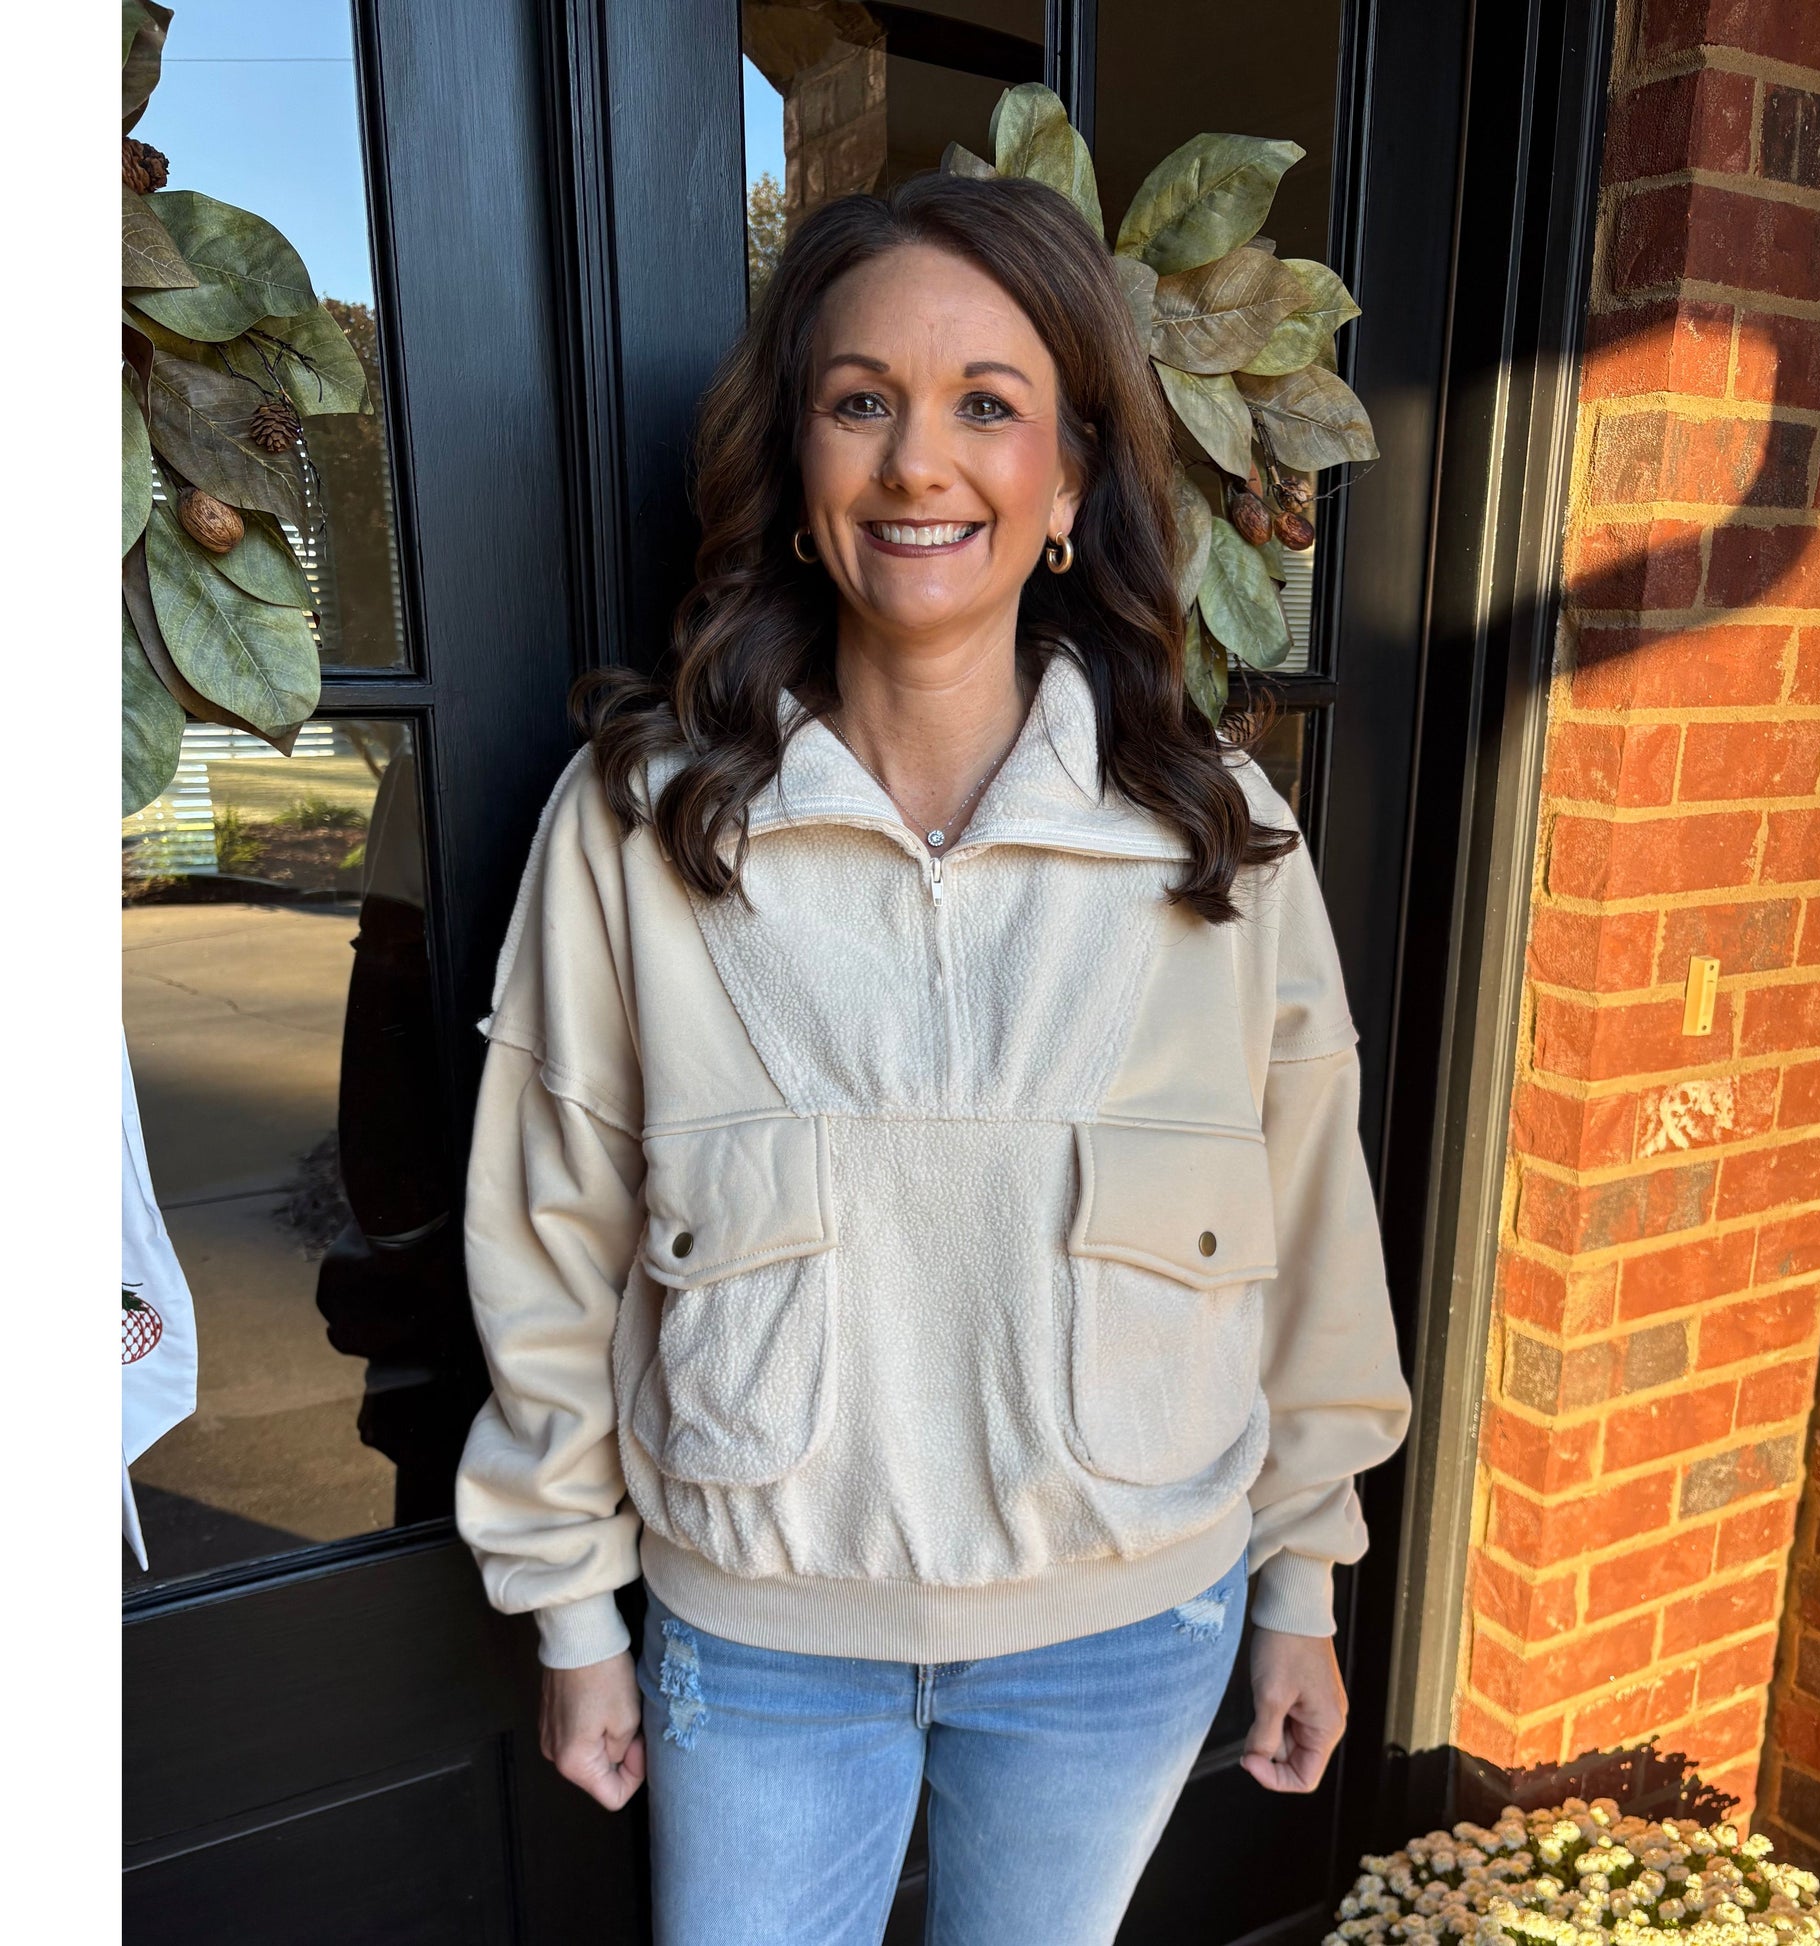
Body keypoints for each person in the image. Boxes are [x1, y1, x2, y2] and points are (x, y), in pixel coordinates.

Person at [455, 170, 1412, 1946]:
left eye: (989, 403)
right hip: (756, 1640)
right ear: (798, 467)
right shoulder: (638, 831)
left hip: (1126, 1636)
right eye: (860, 400)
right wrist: (576, 1612)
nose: (918, 462)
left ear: (1066, 485)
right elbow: (548, 1228)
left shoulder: (1217, 841)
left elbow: (1308, 1234)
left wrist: (1305, 1575)